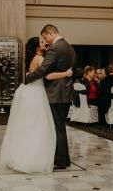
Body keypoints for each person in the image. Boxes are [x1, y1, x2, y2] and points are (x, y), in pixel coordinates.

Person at [0, 36, 73, 173]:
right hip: (37, 93)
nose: (45, 44)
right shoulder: (39, 59)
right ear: (37, 47)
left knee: (29, 126)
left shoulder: (32, 59)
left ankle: (23, 156)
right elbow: (48, 76)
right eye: (42, 42)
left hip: (30, 92)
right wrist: (66, 73)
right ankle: (36, 158)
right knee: (39, 126)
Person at [25, 25, 76, 170]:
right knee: (60, 127)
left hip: (56, 93)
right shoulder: (69, 47)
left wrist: (26, 79)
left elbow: (44, 70)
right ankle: (64, 159)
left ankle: (60, 161)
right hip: (66, 92)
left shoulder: (55, 48)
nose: (46, 41)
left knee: (57, 127)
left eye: (45, 37)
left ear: (51, 33)